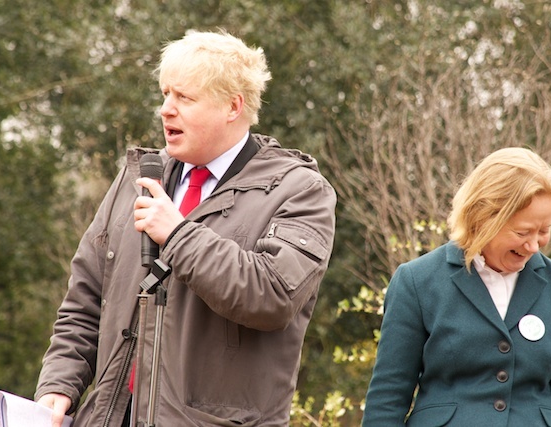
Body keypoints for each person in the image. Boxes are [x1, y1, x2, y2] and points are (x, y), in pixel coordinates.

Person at [35, 29, 336, 427]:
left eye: (184, 98)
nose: (165, 109)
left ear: (233, 107)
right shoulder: (138, 178)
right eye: (165, 94)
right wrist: (58, 386)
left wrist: (177, 236)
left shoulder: (300, 191)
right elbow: (85, 301)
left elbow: (273, 297)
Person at [362, 147, 551, 426]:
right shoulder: (416, 282)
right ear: (483, 218)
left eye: (544, 230)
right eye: (522, 232)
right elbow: (386, 402)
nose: (534, 245)